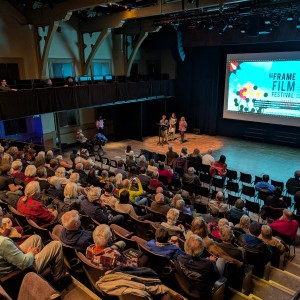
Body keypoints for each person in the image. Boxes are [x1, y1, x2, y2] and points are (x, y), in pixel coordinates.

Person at [0, 234, 66, 284]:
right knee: (57, 244)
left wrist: (19, 251)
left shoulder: (3, 242)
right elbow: (24, 264)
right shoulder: (2, 242)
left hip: (13, 261)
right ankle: (58, 279)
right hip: (20, 272)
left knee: (36, 238)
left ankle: (46, 270)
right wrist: (31, 253)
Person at [176, 235, 220, 299]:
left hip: (187, 286)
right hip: (203, 290)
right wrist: (213, 262)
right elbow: (216, 277)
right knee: (222, 260)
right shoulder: (208, 264)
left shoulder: (179, 258)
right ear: (202, 249)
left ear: (185, 247)